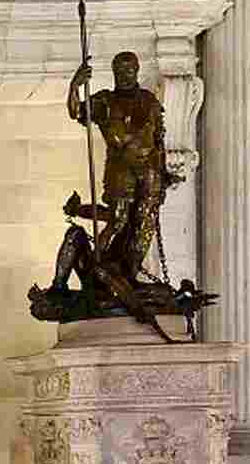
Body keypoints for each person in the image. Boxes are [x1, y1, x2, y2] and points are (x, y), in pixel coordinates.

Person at [52, 50, 173, 309]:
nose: (126, 75)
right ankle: (99, 267)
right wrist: (75, 86)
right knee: (117, 220)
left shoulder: (149, 100)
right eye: (121, 70)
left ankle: (129, 274)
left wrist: (163, 172)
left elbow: (158, 140)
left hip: (149, 172)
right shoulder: (105, 101)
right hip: (120, 171)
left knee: (144, 225)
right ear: (115, 72)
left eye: (130, 70)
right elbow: (76, 111)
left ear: (137, 70)